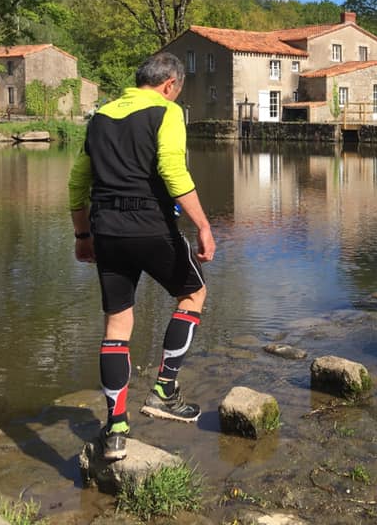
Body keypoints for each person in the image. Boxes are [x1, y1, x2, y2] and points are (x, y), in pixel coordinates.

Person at [68, 52, 216, 461]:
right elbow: (172, 170)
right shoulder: (166, 112)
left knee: (117, 321)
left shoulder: (99, 116)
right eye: (177, 91)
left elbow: (78, 180)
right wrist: (203, 225)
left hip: (107, 230)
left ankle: (115, 429)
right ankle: (164, 391)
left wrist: (83, 234)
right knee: (193, 294)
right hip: (150, 226)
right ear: (170, 85)